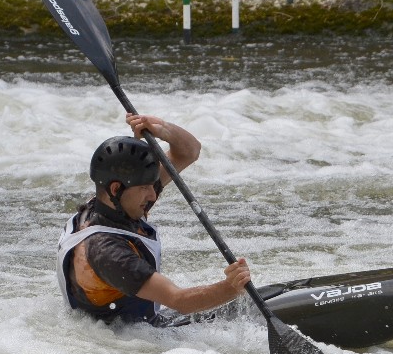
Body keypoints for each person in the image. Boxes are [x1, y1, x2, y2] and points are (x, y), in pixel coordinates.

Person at [56, 113, 251, 326]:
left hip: (143, 330)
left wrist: (162, 130)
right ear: (115, 188)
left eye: (152, 185)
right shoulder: (108, 253)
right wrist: (230, 287)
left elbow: (189, 152)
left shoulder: (110, 205)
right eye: (144, 188)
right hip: (126, 346)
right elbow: (179, 301)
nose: (152, 195)